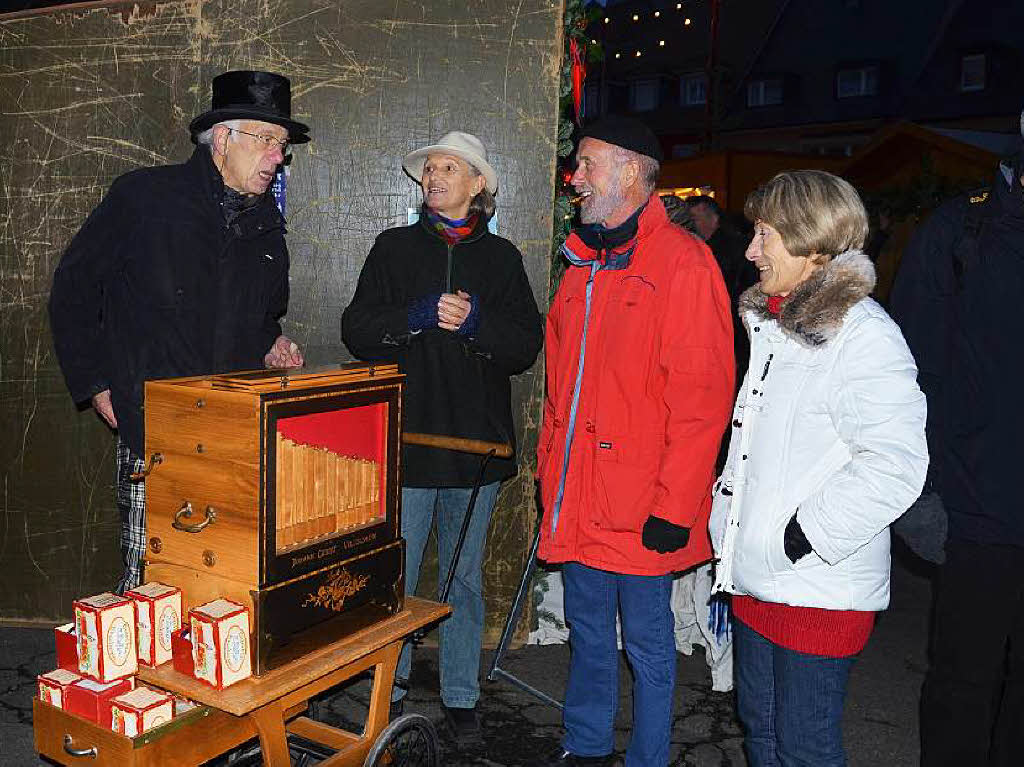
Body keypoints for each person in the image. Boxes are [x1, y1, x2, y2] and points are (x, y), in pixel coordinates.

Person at [49, 70, 307, 595]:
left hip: (233, 436)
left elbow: (260, 319)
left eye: (282, 145)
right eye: (267, 140)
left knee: (224, 586)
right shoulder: (145, 198)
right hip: (157, 430)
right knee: (152, 581)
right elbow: (74, 287)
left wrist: (271, 344)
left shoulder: (268, 229)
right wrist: (96, 382)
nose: (278, 157)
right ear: (223, 138)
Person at [710, 170, 928, 767]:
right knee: (762, 733)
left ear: (811, 243)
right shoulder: (777, 326)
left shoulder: (863, 335)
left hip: (817, 586)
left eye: (764, 236)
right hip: (759, 576)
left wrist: (801, 535)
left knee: (805, 748)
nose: (750, 251)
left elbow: (897, 464)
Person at [536, 115, 735, 767]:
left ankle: (648, 757)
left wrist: (676, 508)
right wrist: (551, 485)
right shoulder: (582, 264)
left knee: (648, 647)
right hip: (582, 497)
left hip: (642, 506)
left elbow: (701, 400)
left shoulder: (684, 262)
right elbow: (562, 396)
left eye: (588, 163)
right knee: (588, 633)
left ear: (631, 171)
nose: (577, 176)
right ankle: (586, 745)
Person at [342, 131, 542, 742]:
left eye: (448, 168)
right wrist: (417, 315)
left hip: (476, 450)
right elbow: (357, 329)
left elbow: (524, 345)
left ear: (477, 184)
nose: (434, 176)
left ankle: (461, 697)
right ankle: (390, 688)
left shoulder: (502, 258)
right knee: (394, 575)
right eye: (429, 168)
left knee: (463, 576)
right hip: (405, 441)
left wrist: (476, 321)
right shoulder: (393, 248)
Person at [889, 135, 1024, 767]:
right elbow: (910, 377)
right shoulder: (960, 230)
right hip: (978, 510)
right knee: (963, 686)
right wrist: (920, 496)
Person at [687, 194, 759, 383]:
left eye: (695, 219)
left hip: (733, 328)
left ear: (714, 218)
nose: (692, 225)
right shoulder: (705, 246)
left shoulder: (731, 247)